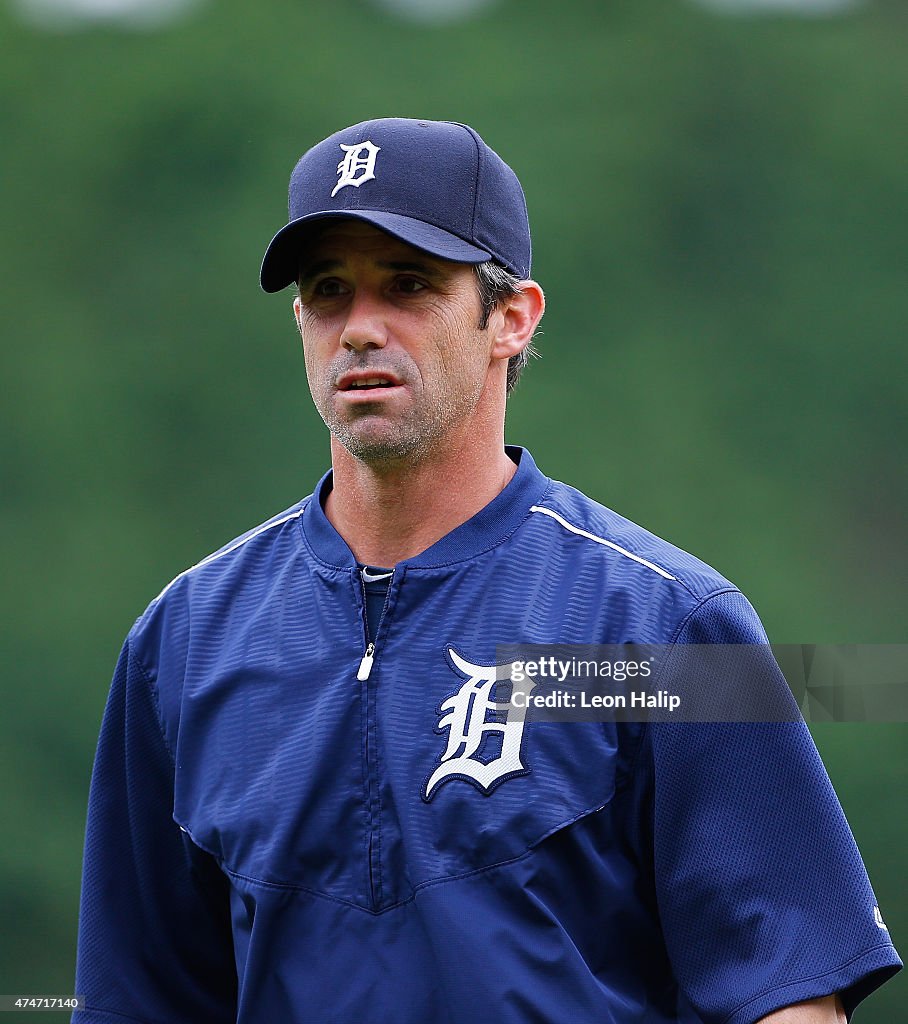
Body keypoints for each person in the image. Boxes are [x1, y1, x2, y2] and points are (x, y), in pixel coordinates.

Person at [72, 118, 900, 1024]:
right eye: (329, 291)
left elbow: (789, 1000)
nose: (359, 329)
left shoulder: (667, 622)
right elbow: (136, 1000)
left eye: (409, 285)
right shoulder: (184, 640)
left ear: (511, 318)